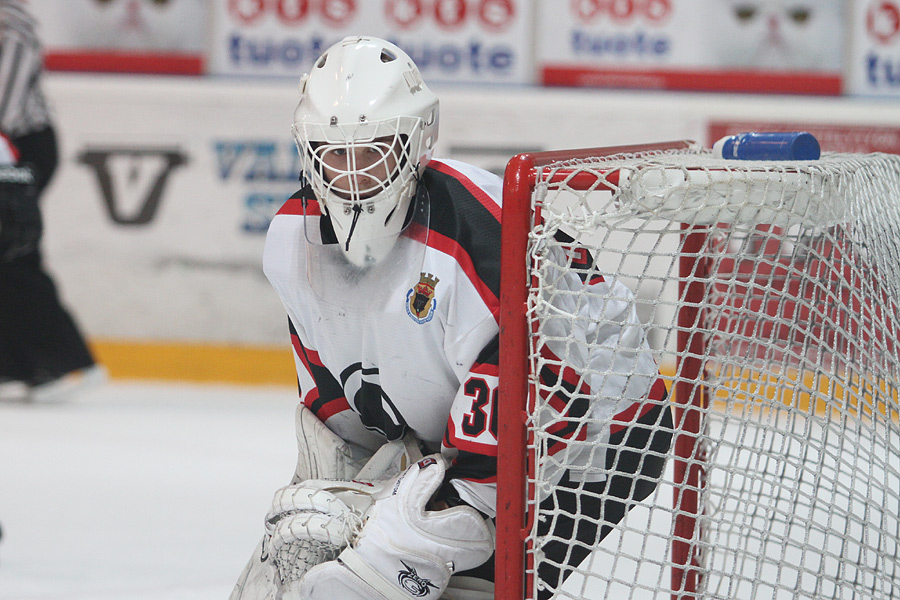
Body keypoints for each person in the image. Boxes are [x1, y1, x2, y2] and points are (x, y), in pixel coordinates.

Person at [231, 36, 673, 600]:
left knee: (447, 584)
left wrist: (425, 524)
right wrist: (347, 494)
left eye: (374, 151)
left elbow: (556, 393)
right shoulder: (293, 240)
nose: (353, 175)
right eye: (334, 153)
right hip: (478, 427)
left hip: (605, 434)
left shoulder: (480, 233)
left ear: (416, 144)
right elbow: (333, 396)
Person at [0, 0, 102, 402]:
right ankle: (21, 365)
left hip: (20, 149)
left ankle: (68, 363)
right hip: (10, 147)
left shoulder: (12, 28)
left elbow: (4, 109)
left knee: (16, 252)